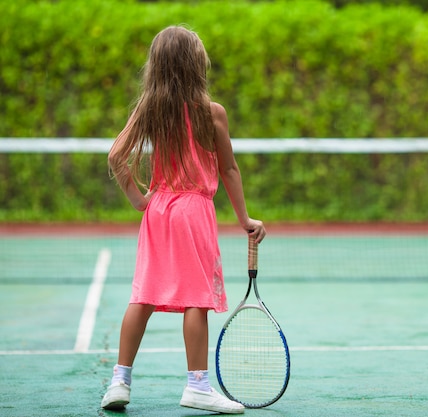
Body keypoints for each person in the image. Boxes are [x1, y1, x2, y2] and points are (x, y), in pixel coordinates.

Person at [101, 25, 265, 414]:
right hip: (193, 213)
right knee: (196, 300)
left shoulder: (149, 109)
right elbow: (229, 169)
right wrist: (244, 220)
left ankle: (119, 382)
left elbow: (115, 157)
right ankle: (197, 386)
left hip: (158, 212)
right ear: (196, 64)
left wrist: (141, 201)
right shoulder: (213, 113)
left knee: (142, 296)